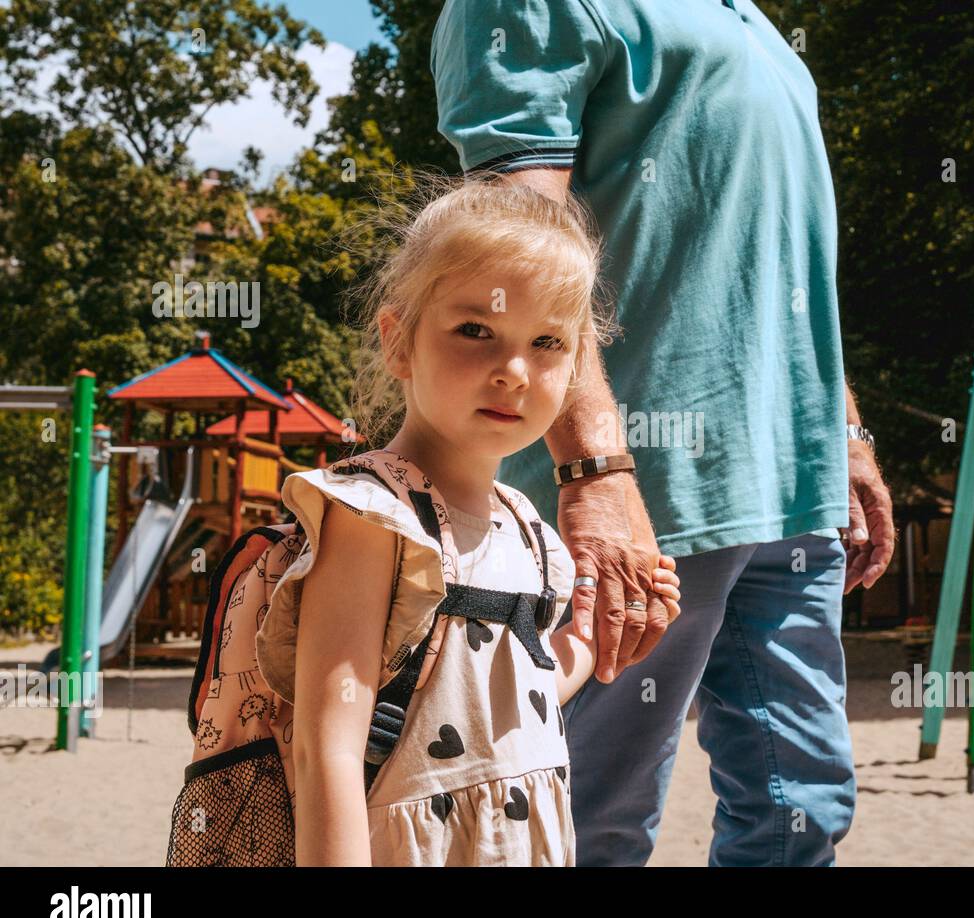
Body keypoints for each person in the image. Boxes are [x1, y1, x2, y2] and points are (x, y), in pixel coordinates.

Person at [431, 0, 896, 866]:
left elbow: (786, 258)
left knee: (805, 811)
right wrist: (595, 468)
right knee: (588, 826)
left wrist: (847, 430)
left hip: (791, 486)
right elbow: (517, 249)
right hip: (643, 486)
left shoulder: (757, 25)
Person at [263, 176, 681, 865]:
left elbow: (517, 691)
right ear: (399, 343)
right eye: (476, 330)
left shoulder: (529, 529)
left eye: (548, 342)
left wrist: (598, 643)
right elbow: (327, 749)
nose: (514, 370)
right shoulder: (376, 517)